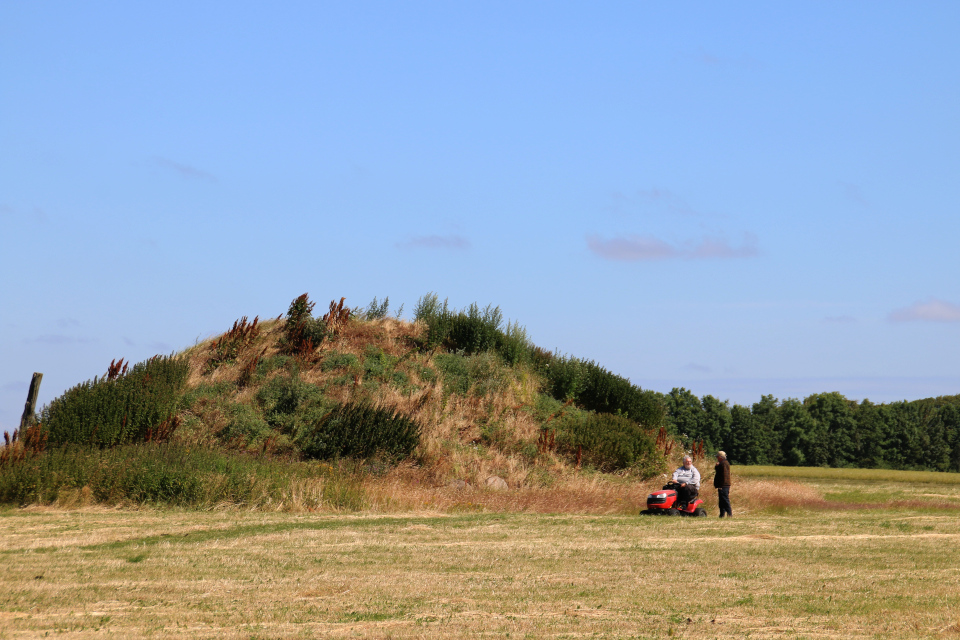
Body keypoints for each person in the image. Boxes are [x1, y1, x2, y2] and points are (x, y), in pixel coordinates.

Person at [714, 451, 732, 518]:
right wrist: (717, 466)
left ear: (720, 457)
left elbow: (724, 475)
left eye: (717, 457)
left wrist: (721, 485)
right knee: (722, 500)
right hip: (724, 485)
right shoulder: (724, 463)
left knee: (724, 499)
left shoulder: (723, 463)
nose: (717, 458)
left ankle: (729, 513)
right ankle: (722, 514)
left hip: (723, 485)